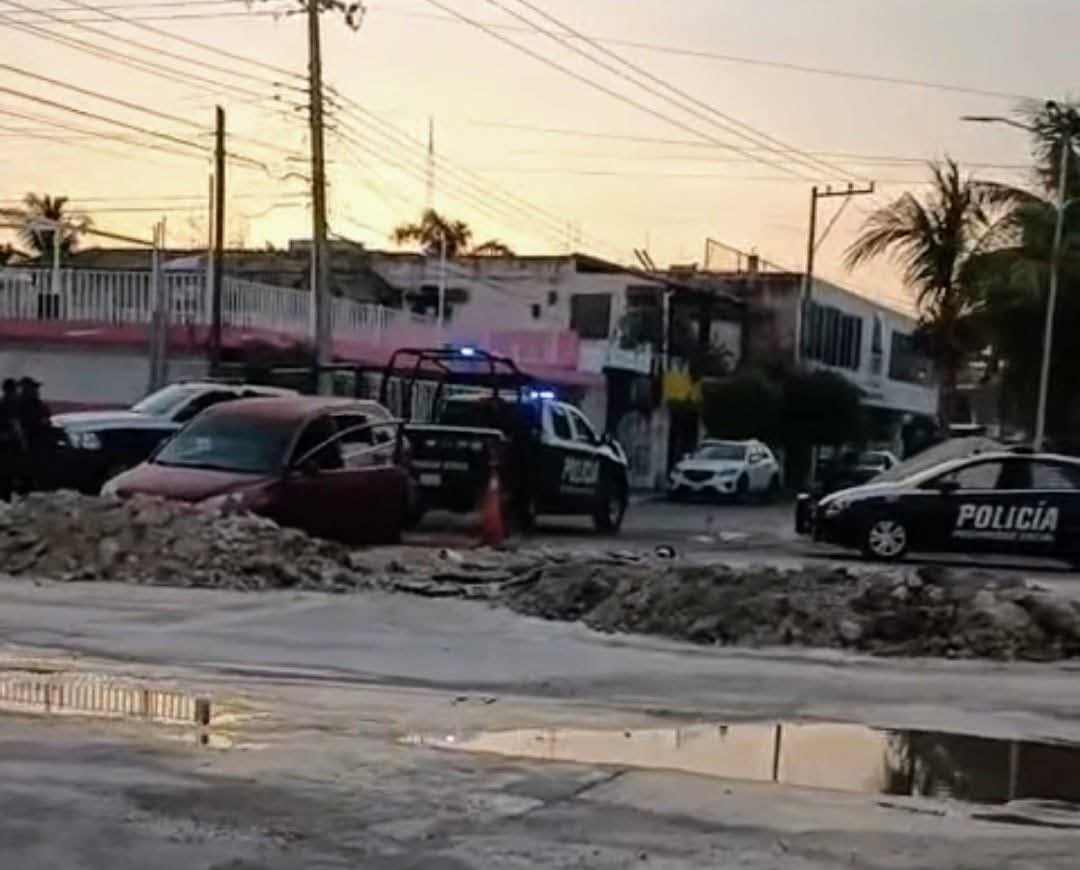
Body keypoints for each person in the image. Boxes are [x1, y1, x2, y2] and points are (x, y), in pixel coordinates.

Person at [16, 377, 51, 493]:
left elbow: (46, 413)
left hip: (36, 444)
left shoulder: (36, 404)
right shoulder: (20, 405)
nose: (37, 391)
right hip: (25, 444)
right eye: (34, 388)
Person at [0, 378, 25, 500]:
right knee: (8, 478)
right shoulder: (8, 405)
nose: (17, 392)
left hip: (7, 446)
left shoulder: (5, 403)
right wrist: (22, 441)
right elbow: (15, 424)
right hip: (8, 447)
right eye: (15, 390)